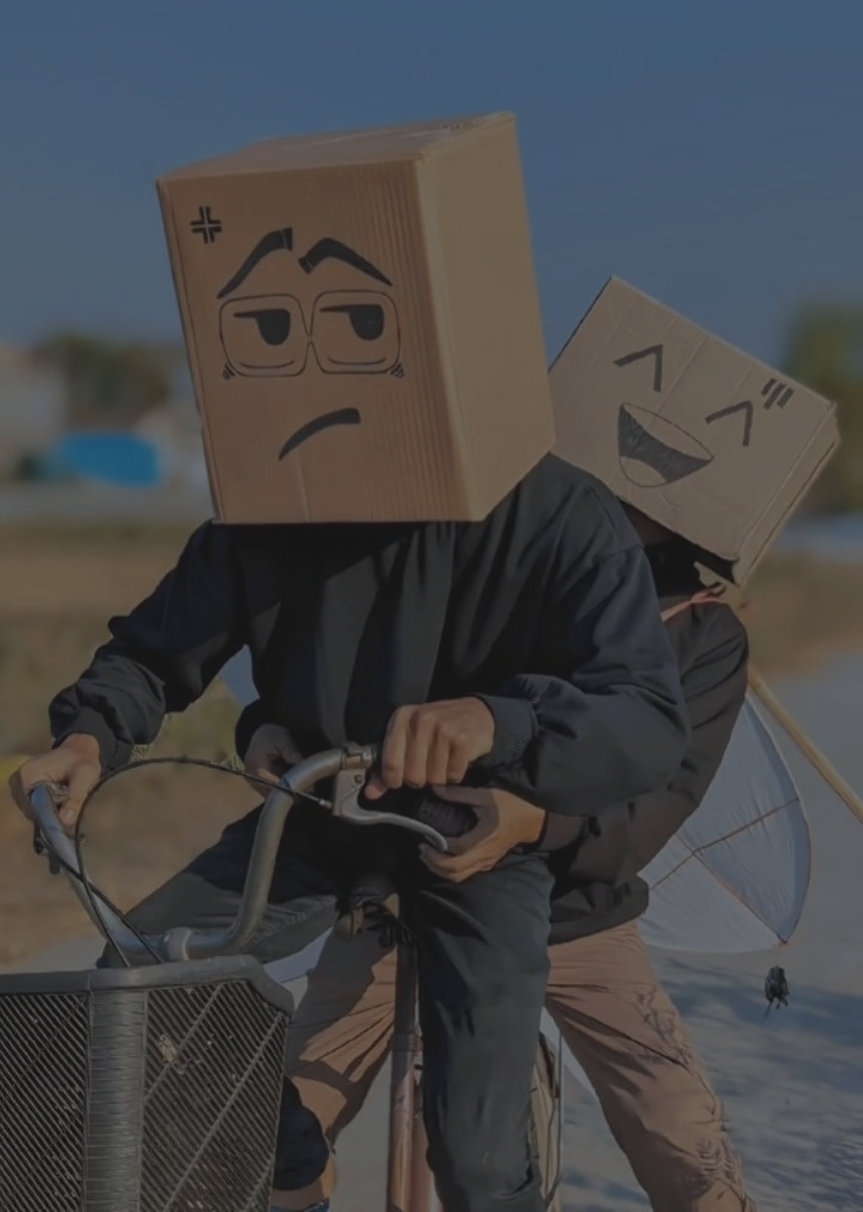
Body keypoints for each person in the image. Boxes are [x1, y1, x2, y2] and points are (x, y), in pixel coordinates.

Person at [10, 459, 689, 1212]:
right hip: (316, 807)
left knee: (477, 1155)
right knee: (137, 984)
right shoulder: (273, 495)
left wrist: (502, 722)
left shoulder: (559, 509)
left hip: (478, 836)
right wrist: (88, 737)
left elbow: (647, 719)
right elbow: (151, 651)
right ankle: (297, 1165)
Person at [261, 506, 758, 1212]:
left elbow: (659, 803)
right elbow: (347, 682)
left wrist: (537, 821)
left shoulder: (704, 632)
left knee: (684, 1141)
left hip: (578, 913)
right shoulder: (492, 557)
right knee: (267, 1134)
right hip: (405, 895)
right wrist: (265, 725)